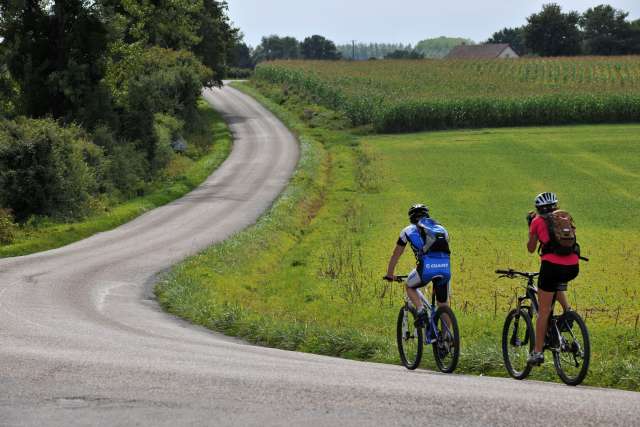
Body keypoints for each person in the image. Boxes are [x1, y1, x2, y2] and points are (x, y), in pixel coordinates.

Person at [526, 192, 579, 366]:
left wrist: (531, 229)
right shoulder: (565, 217)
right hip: (572, 267)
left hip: (551, 267)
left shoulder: (536, 221)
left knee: (543, 311)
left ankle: (538, 352)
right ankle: (568, 311)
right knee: (557, 284)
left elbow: (531, 249)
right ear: (556, 205)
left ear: (538, 209)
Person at [384, 204, 451, 337]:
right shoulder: (441, 229)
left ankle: (420, 311)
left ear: (411, 218)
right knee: (443, 304)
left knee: (409, 286)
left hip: (426, 268)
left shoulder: (407, 231)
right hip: (445, 267)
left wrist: (390, 274)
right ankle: (446, 339)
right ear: (427, 215)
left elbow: (395, 255)